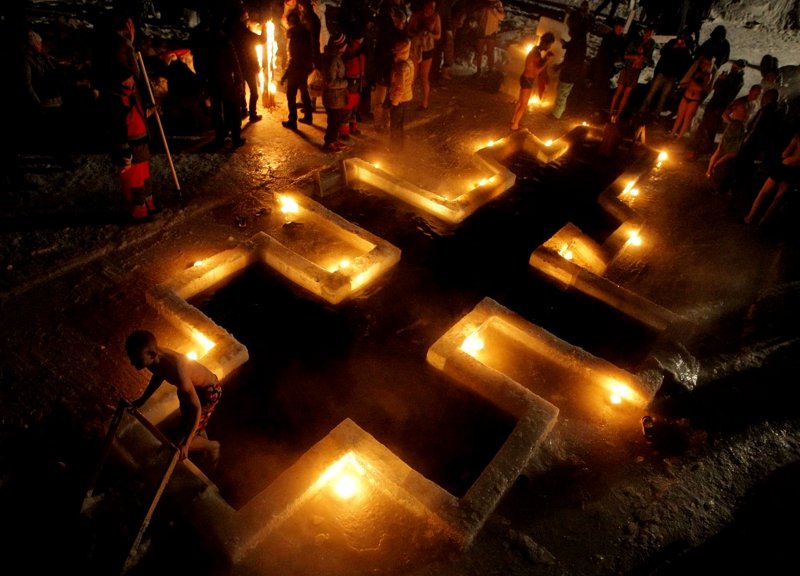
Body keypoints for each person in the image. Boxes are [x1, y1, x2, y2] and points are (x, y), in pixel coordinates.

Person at [125, 329, 222, 465]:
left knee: (181, 442)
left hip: (208, 392)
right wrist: (142, 400)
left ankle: (213, 447)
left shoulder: (178, 370)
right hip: (190, 388)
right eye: (131, 358)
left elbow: (197, 408)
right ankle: (200, 439)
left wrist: (186, 444)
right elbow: (159, 374)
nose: (132, 363)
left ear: (152, 354)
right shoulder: (154, 358)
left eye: (136, 359)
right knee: (190, 424)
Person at [103, 64, 156, 222]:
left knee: (145, 178)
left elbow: (136, 116)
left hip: (141, 145)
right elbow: (117, 130)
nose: (132, 82)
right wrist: (124, 154)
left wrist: (150, 111)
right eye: (128, 80)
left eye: (132, 79)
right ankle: (138, 212)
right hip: (129, 150)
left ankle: (148, 205)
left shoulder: (131, 96)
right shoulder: (115, 102)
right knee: (135, 183)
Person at [687, 57, 745, 157]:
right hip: (714, 103)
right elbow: (716, 88)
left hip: (719, 106)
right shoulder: (731, 76)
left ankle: (702, 149)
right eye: (733, 66)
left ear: (741, 69)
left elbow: (725, 92)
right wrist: (720, 80)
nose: (733, 68)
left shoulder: (737, 80)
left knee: (709, 128)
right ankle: (699, 147)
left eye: (736, 67)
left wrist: (723, 81)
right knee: (705, 126)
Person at [743, 131, 800, 226]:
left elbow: (785, 154)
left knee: (763, 192)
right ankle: (763, 220)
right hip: (795, 171)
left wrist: (791, 145)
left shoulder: (797, 139)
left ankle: (750, 217)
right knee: (778, 198)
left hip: (785, 166)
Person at [638, 30, 693, 120]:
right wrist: (674, 47)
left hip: (672, 76)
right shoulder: (672, 42)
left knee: (664, 96)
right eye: (681, 38)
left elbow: (686, 63)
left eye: (683, 39)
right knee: (652, 92)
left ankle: (656, 113)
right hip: (662, 72)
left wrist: (683, 49)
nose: (681, 40)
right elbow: (663, 52)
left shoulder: (685, 50)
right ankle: (642, 110)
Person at [609, 23, 655, 123]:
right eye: (647, 33)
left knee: (627, 93)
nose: (648, 35)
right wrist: (635, 56)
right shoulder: (636, 41)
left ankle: (619, 114)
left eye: (650, 34)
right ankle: (611, 111)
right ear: (644, 32)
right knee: (619, 90)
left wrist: (643, 58)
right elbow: (625, 55)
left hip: (636, 70)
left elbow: (648, 59)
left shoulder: (651, 44)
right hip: (628, 68)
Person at [510, 32, 555, 131]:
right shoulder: (536, 53)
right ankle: (515, 126)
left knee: (520, 102)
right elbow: (536, 72)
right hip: (528, 80)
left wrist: (545, 58)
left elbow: (537, 63)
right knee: (524, 104)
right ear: (546, 43)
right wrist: (547, 60)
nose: (549, 47)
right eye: (550, 45)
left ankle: (514, 120)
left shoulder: (535, 50)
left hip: (524, 77)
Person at [227, 6, 263, 123]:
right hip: (247, 66)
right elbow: (261, 40)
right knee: (254, 92)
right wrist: (265, 29)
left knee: (240, 90)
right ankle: (252, 114)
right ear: (241, 18)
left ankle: (243, 110)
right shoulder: (243, 32)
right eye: (246, 16)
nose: (248, 18)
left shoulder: (232, 31)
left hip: (237, 67)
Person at [281, 9, 315, 130]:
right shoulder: (306, 32)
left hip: (296, 68)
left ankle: (292, 121)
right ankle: (308, 117)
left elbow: (294, 57)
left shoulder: (295, 36)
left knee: (291, 94)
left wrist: (285, 75)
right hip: (305, 67)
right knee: (304, 90)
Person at [668, 52, 715, 139]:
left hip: (694, 99)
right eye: (704, 63)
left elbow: (701, 88)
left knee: (687, 119)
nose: (705, 65)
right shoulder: (697, 71)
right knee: (679, 116)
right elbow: (689, 83)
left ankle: (679, 138)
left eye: (707, 63)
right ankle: (672, 134)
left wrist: (691, 83)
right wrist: (687, 84)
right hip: (686, 96)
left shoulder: (708, 75)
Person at [407, 0, 441, 110]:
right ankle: (406, 101)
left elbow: (438, 35)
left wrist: (429, 34)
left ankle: (425, 103)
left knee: (424, 77)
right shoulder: (416, 16)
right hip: (415, 48)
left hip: (427, 49)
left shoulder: (435, 17)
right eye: (428, 7)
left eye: (432, 8)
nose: (429, 10)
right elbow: (408, 31)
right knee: (412, 75)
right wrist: (417, 34)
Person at [705, 96, 748, 180]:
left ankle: (716, 165)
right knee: (720, 150)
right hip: (733, 128)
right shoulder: (738, 104)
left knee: (734, 152)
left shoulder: (748, 104)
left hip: (739, 128)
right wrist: (730, 122)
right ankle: (709, 170)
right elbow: (724, 113)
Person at [321, 32, 349, 152]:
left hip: (337, 97)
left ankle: (333, 139)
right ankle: (329, 142)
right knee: (333, 121)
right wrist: (346, 83)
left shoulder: (336, 57)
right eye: (345, 44)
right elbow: (330, 82)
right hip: (333, 97)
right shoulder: (332, 60)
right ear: (340, 46)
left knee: (336, 121)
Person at [388, 37, 414, 151]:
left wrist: (394, 102)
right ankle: (400, 145)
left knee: (395, 125)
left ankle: (395, 147)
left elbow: (399, 87)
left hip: (400, 100)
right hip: (407, 97)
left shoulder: (401, 68)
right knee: (400, 124)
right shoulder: (409, 62)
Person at [340, 35, 366, 137]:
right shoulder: (350, 51)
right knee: (349, 107)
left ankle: (351, 128)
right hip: (351, 82)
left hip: (357, 81)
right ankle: (344, 131)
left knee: (353, 106)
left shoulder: (359, 49)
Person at [473, 0, 504, 77]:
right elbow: (476, 14)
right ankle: (478, 70)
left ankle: (490, 70)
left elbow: (501, 17)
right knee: (479, 52)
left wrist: (493, 10)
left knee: (490, 52)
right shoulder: (483, 2)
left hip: (491, 31)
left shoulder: (497, 4)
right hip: (482, 31)